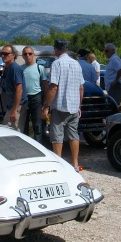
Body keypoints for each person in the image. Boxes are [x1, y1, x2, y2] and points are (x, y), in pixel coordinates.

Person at [42, 39, 84, 171]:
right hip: (73, 106)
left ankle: (59, 164)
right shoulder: (76, 64)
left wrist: (46, 105)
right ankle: (75, 163)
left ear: (56, 49)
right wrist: (79, 105)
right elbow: (81, 87)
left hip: (60, 105)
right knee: (73, 135)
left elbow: (54, 87)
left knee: (57, 136)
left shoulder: (57, 64)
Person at [19, 46, 47, 140]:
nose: (28, 56)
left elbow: (45, 86)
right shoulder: (20, 69)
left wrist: (45, 103)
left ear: (33, 55)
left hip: (36, 97)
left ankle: (39, 145)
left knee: (37, 124)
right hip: (24, 98)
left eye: (30, 53)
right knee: (23, 123)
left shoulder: (40, 68)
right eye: (25, 54)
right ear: (22, 56)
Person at [0, 45, 24, 128]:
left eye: (6, 54)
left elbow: (19, 89)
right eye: (2, 53)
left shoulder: (14, 68)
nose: (3, 56)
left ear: (13, 55)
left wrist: (15, 110)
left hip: (17, 106)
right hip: (11, 105)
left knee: (13, 131)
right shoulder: (8, 67)